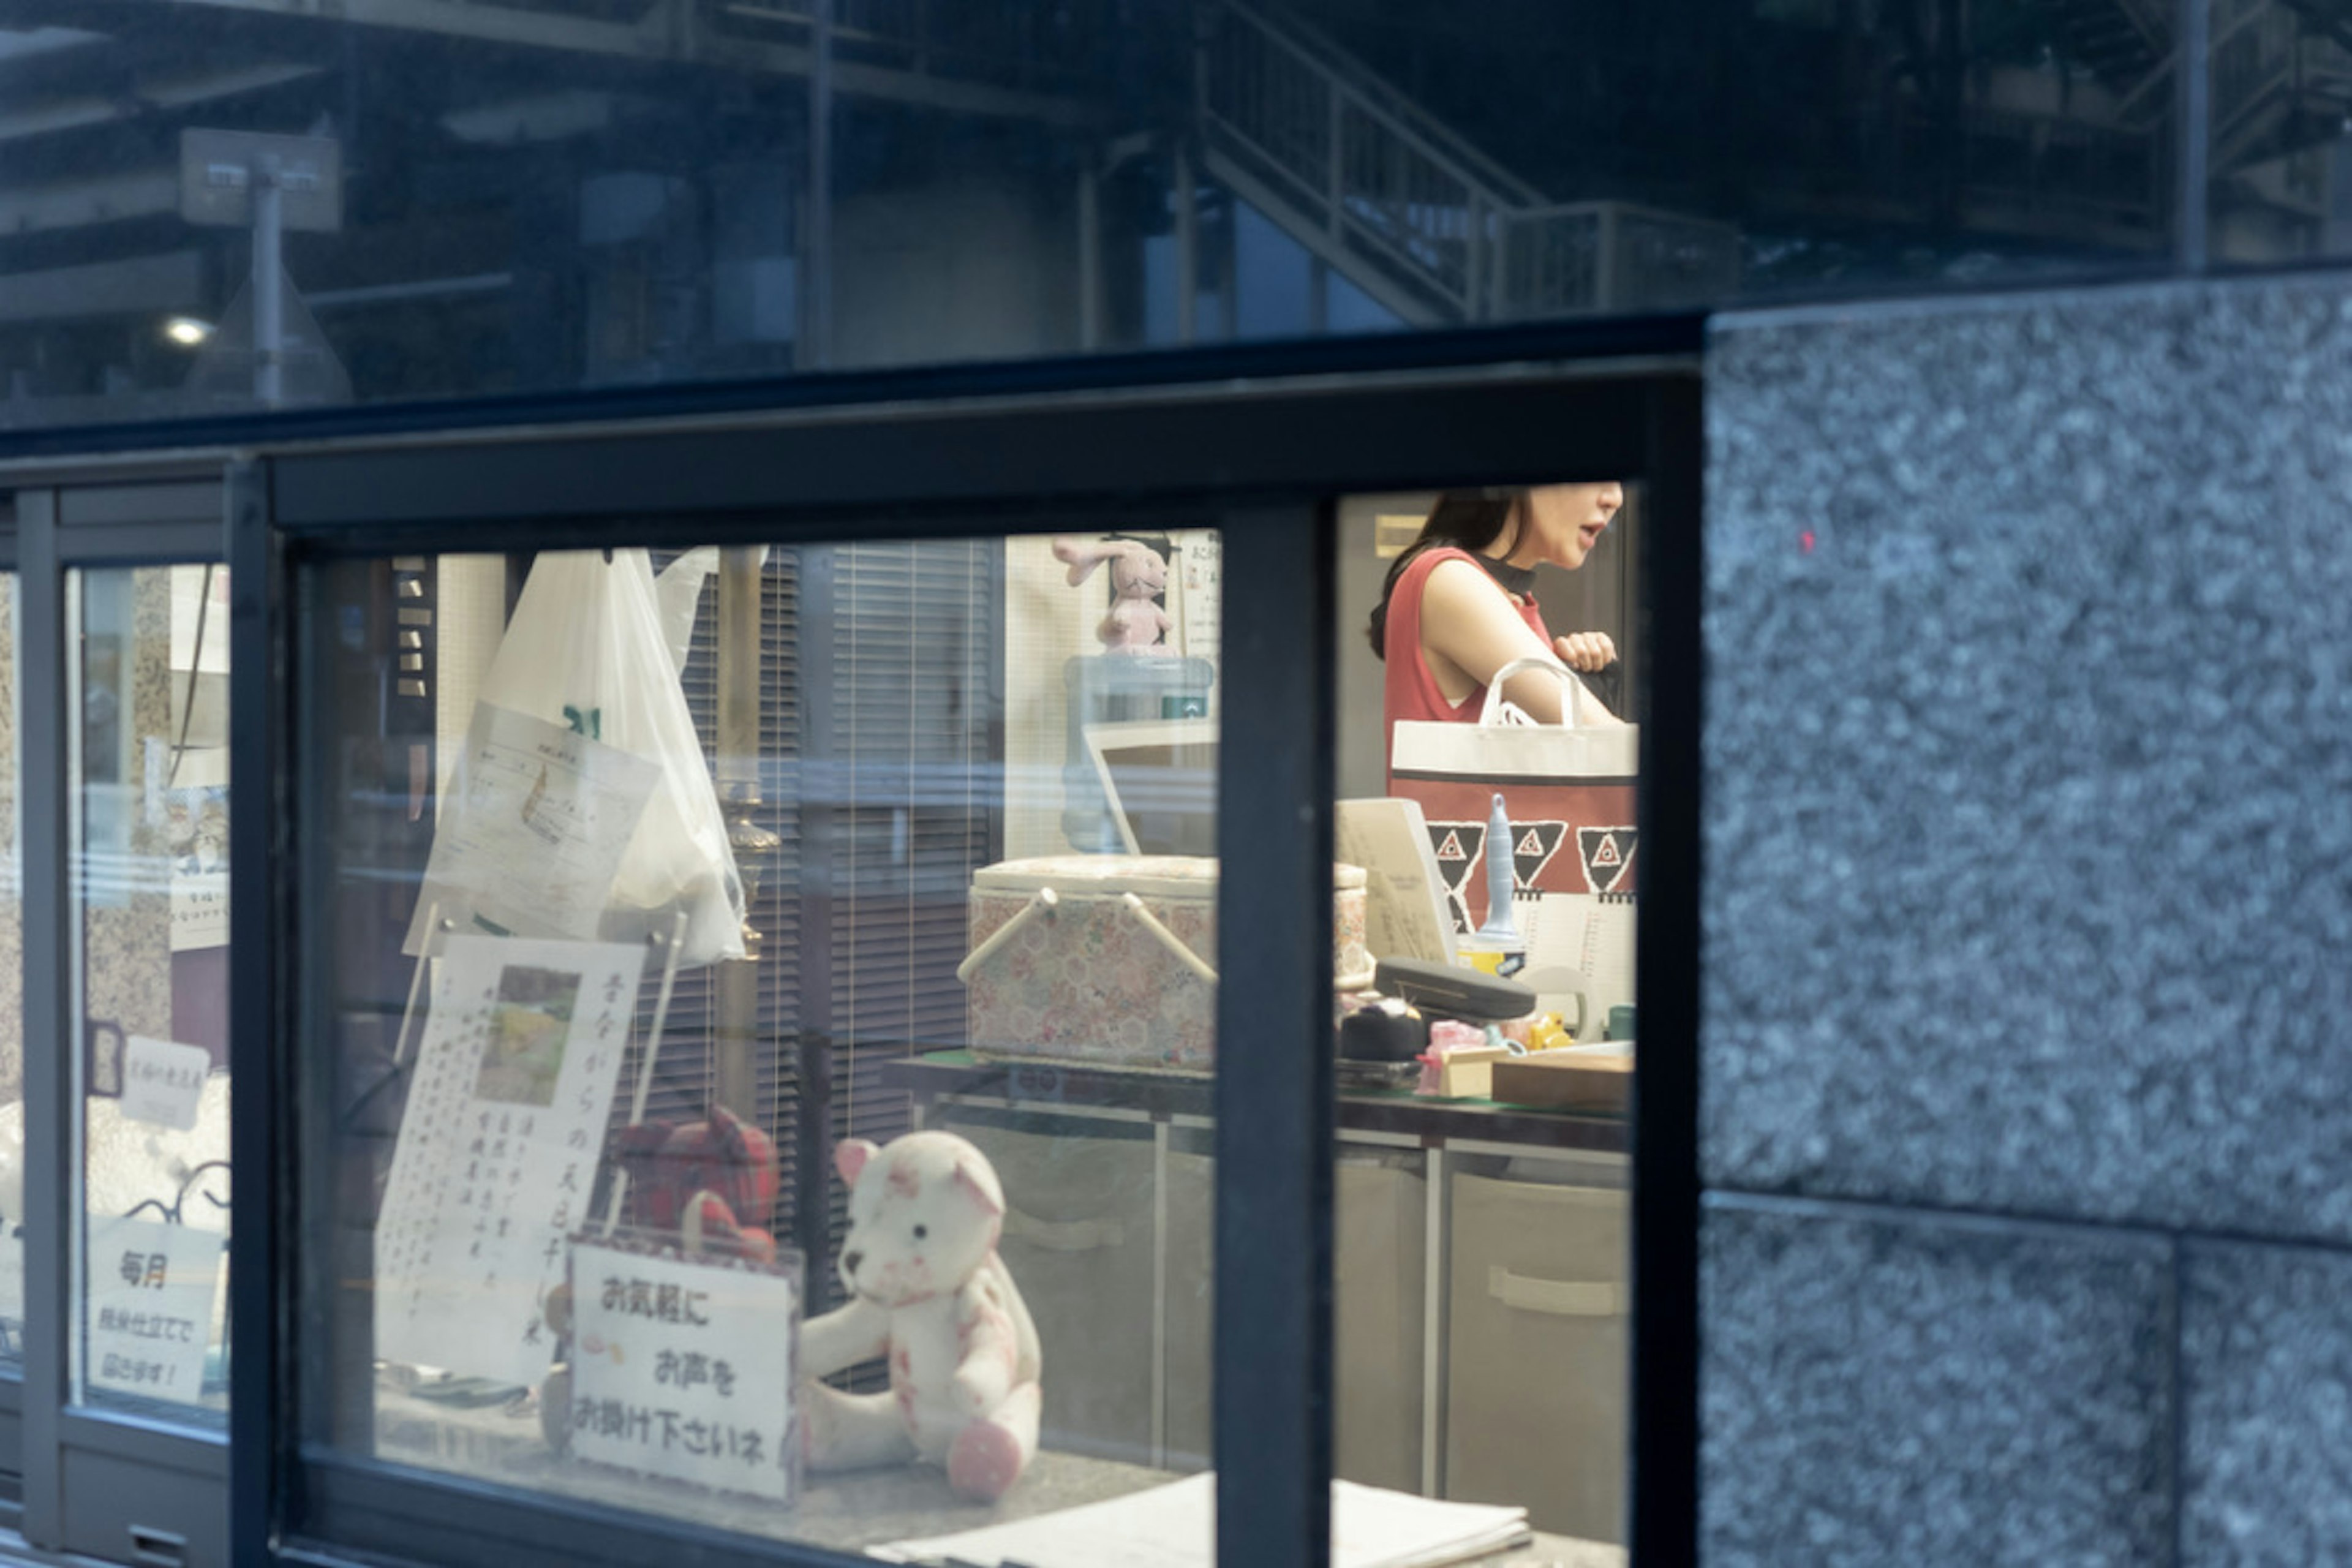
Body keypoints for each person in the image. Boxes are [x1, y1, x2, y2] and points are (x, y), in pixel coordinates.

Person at [1370, 484, 1626, 772]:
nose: (1614, 498)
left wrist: (1586, 685)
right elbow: (1611, 747)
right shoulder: (1452, 579)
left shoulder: (1514, 601)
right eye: (1595, 471)